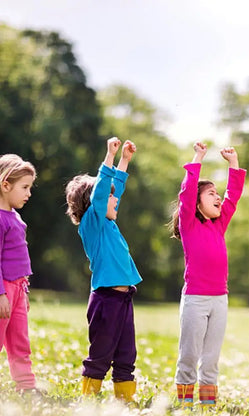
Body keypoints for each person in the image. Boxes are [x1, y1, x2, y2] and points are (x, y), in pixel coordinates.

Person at [65, 137, 142, 402]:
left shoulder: (109, 223)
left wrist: (124, 161)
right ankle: (89, 398)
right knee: (101, 352)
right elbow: (102, 194)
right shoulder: (93, 225)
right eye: (110, 196)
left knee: (126, 353)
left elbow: (113, 190)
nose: (115, 199)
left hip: (123, 299)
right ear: (93, 203)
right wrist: (110, 156)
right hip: (106, 300)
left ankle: (125, 400)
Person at [169, 142, 246, 408]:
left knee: (211, 358)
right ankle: (185, 405)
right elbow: (186, 194)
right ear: (197, 203)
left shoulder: (219, 224)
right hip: (195, 300)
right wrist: (198, 157)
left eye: (218, 193)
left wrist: (233, 163)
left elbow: (233, 196)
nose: (218, 197)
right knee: (189, 355)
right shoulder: (189, 224)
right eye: (211, 193)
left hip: (219, 300)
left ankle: (207, 406)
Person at [0, 154, 37, 393]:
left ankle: (26, 386)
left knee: (20, 342)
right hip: (3, 290)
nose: (29, 193)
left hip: (18, 289)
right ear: (5, 185)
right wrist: (1, 293)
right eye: (24, 187)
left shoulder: (16, 217)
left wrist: (23, 293)